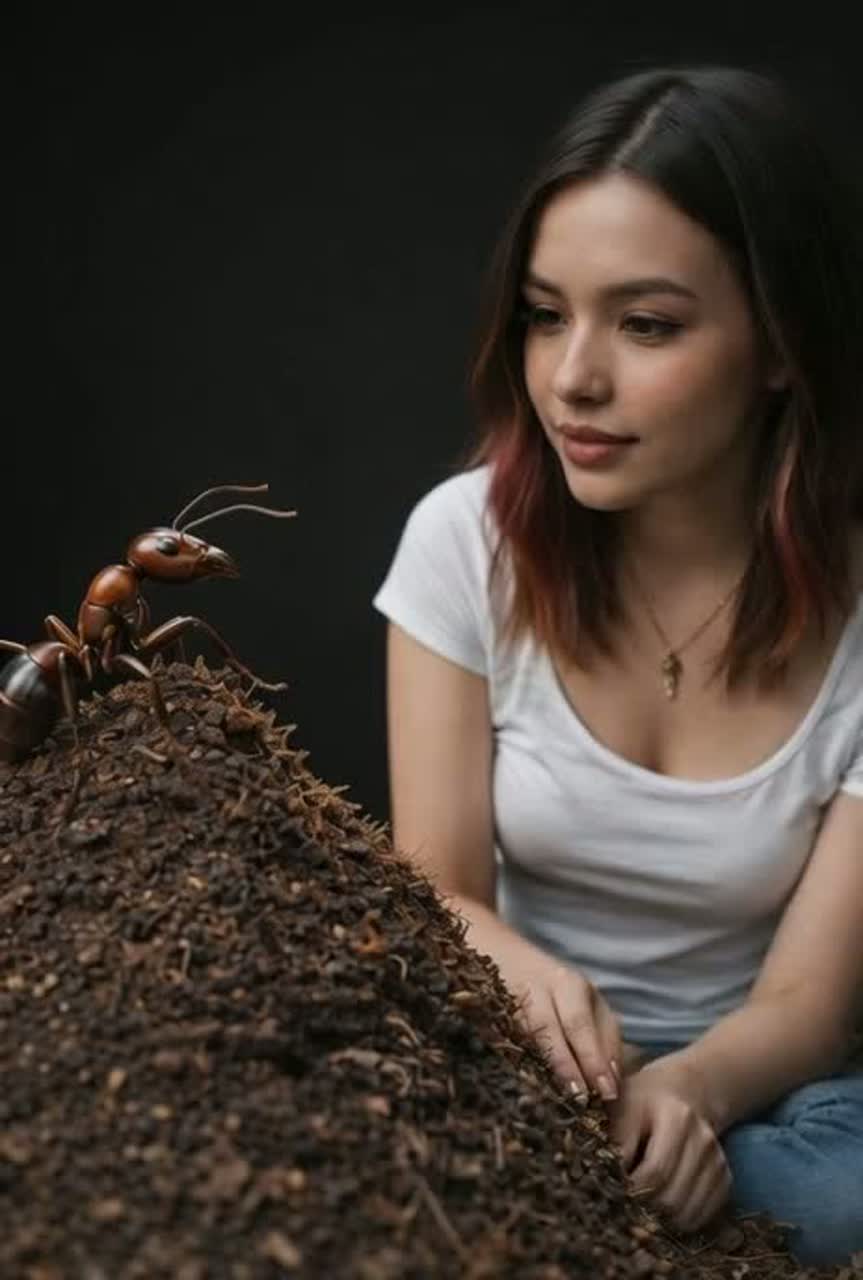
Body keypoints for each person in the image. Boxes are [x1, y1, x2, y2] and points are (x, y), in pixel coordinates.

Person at [372, 64, 863, 1265]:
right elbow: (436, 892)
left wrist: (684, 1089)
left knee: (836, 1190)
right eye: (546, 314)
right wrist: (542, 1004)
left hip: (758, 1088)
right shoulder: (464, 540)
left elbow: (808, 1005)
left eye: (645, 324)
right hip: (516, 1045)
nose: (570, 378)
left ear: (781, 344)